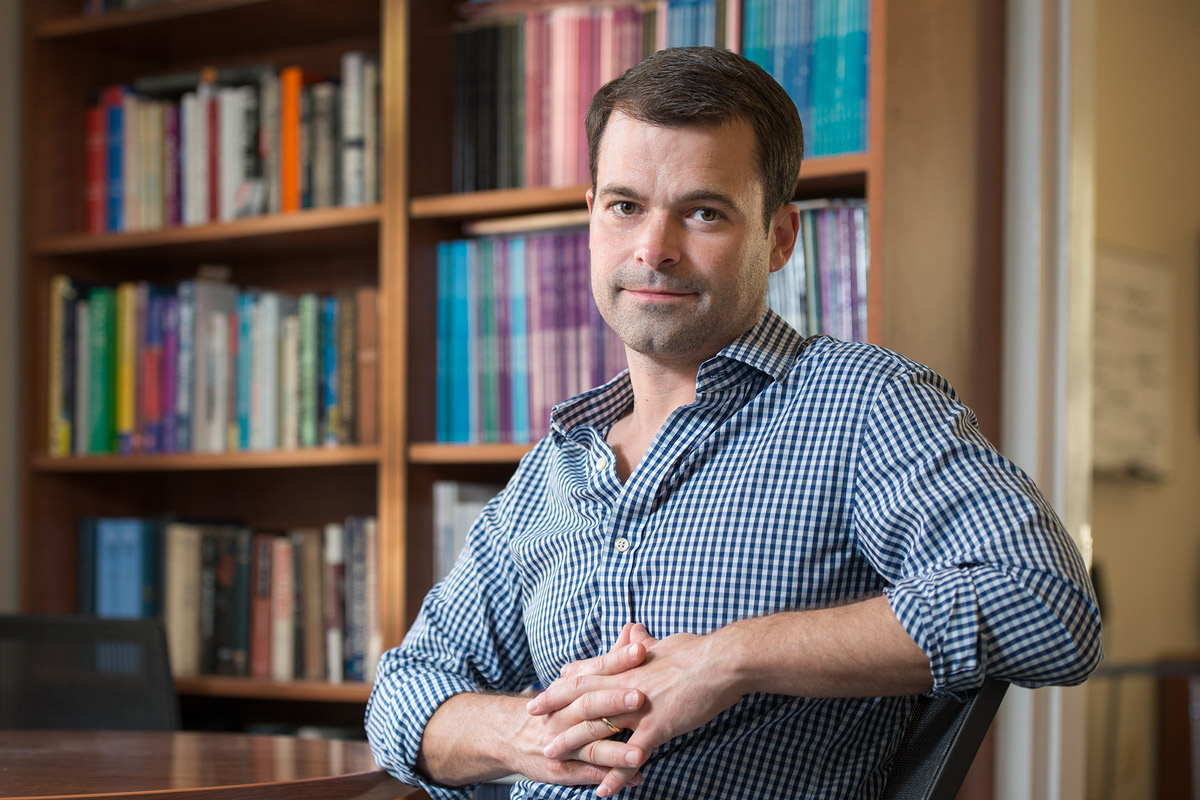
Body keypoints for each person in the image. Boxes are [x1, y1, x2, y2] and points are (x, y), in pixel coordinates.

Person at [365, 46, 1102, 799]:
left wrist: (730, 658)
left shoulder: (861, 403)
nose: (654, 248)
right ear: (591, 217)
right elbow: (401, 695)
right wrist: (527, 733)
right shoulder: (554, 466)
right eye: (625, 206)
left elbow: (1047, 603)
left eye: (704, 212)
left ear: (779, 237)